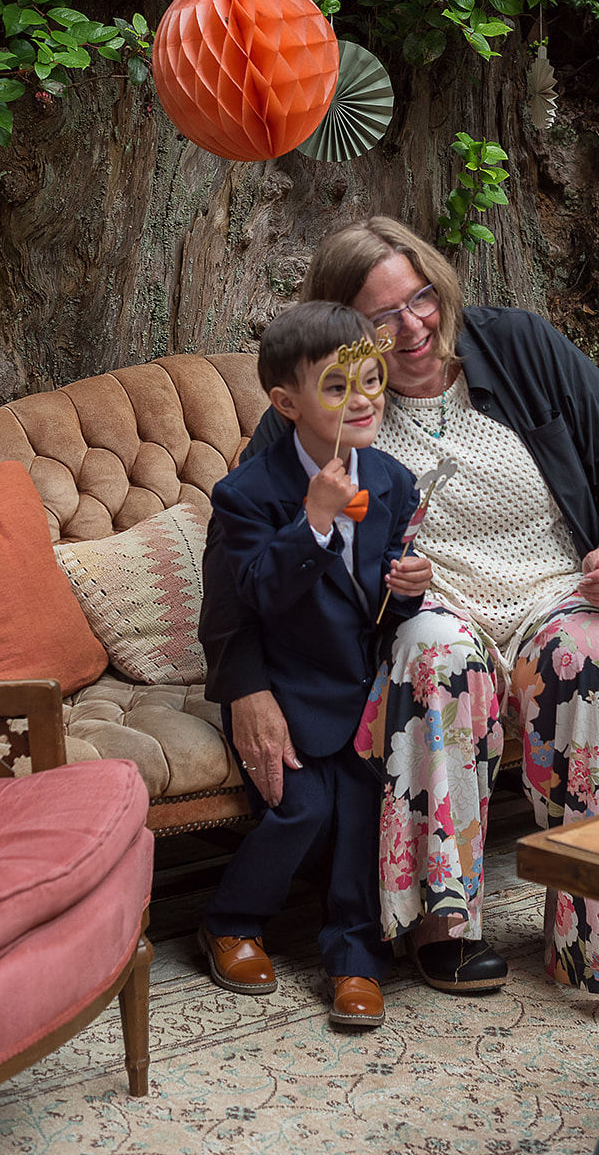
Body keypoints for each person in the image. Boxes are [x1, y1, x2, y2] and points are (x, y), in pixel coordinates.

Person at [215, 219, 599, 999]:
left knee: (593, 654)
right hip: (433, 610)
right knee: (435, 653)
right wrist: (245, 685)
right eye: (382, 318)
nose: (414, 325)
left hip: (557, 592)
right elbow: (236, 547)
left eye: (421, 297)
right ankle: (443, 927)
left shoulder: (519, 345)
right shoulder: (330, 399)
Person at [198, 300, 431, 1027]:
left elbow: (380, 604)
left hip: (364, 691)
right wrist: (316, 520)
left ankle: (355, 957)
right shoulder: (246, 494)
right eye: (337, 386)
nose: (363, 398)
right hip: (287, 687)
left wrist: (407, 590)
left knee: (363, 812)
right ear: (286, 403)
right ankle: (231, 920)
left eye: (372, 380)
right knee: (304, 807)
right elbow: (255, 596)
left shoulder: (393, 481)